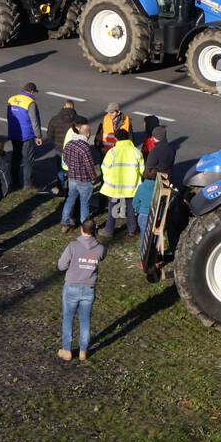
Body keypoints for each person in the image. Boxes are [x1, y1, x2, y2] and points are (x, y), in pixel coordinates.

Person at [56, 220, 104, 362]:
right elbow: (102, 256)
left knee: (68, 318)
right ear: (94, 231)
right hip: (89, 289)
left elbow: (61, 266)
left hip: (71, 287)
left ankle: (66, 350)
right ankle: (83, 351)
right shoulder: (100, 248)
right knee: (85, 320)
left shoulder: (73, 246)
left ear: (81, 230)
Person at [101, 127, 143, 237]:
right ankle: (132, 230)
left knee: (113, 208)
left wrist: (107, 178)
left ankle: (109, 230)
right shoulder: (136, 152)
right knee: (131, 208)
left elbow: (104, 167)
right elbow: (142, 170)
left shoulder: (112, 152)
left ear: (116, 139)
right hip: (131, 187)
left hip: (115, 187)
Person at [60, 117, 97, 231]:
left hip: (72, 178)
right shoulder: (85, 148)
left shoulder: (69, 144)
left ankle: (64, 223)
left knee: (70, 200)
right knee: (84, 203)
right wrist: (93, 178)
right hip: (84, 180)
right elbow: (89, 166)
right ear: (87, 135)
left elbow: (65, 159)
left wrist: (72, 168)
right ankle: (85, 225)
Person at [6, 83, 43, 191]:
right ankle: (28, 184)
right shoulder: (30, 102)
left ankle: (14, 181)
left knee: (16, 157)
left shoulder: (12, 99)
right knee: (28, 160)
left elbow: (9, 116)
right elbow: (34, 121)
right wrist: (38, 136)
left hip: (14, 133)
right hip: (26, 135)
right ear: (31, 91)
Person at [46, 100, 77, 193]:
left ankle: (61, 186)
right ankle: (71, 188)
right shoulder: (78, 120)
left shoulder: (55, 119)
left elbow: (49, 134)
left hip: (59, 147)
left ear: (64, 106)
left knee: (60, 169)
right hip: (73, 149)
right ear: (73, 107)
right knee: (72, 168)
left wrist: (55, 141)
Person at [134, 167, 157, 260]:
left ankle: (143, 255)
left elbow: (135, 202)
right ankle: (153, 253)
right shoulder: (158, 188)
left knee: (144, 236)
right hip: (155, 215)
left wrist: (140, 210)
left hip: (143, 215)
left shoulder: (141, 187)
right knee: (154, 236)